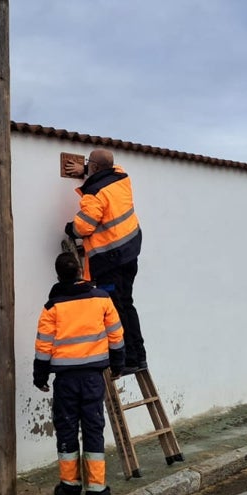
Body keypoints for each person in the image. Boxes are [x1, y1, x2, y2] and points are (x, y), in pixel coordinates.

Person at [33, 251, 126, 495]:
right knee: (93, 428)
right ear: (79, 273)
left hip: (65, 381)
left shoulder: (52, 307)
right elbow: (116, 335)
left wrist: (39, 377)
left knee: (67, 430)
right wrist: (118, 365)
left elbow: (43, 347)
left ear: (58, 275)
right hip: (94, 378)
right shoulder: (101, 299)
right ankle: (96, 489)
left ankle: (70, 486)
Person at [64, 148, 147, 372]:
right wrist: (86, 170)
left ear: (96, 168)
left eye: (90, 163)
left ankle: (128, 359)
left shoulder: (95, 194)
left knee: (116, 308)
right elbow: (109, 168)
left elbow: (83, 227)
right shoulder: (122, 178)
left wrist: (70, 229)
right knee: (127, 303)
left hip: (112, 261)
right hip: (130, 253)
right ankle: (139, 356)